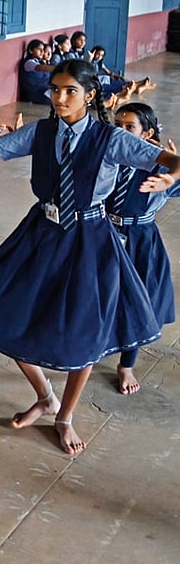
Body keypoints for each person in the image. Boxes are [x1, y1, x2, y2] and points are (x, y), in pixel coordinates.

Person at [0, 60, 179, 455]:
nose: (59, 98)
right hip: (41, 232)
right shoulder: (41, 132)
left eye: (70, 91)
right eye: (55, 90)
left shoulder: (110, 138)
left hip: (89, 238)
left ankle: (65, 417)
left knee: (85, 330)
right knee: (0, 309)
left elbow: (170, 161)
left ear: (89, 95)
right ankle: (46, 396)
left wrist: (170, 175)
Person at [107, 102, 179, 394]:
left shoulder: (160, 168)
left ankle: (126, 364)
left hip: (141, 239)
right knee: (98, 292)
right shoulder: (108, 157)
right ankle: (93, 345)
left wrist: (175, 169)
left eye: (130, 128)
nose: (121, 133)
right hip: (105, 232)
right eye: (118, 125)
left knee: (139, 300)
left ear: (148, 134)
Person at [18, 39, 53, 104]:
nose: (42, 52)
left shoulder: (40, 61)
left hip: (43, 90)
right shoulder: (28, 63)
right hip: (33, 94)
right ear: (31, 50)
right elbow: (40, 68)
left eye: (43, 50)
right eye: (39, 50)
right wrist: (58, 68)